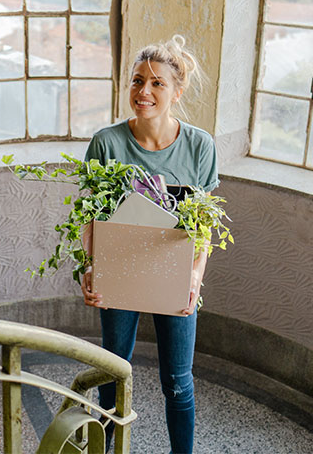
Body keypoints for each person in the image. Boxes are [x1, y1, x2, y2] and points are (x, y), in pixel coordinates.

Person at [81, 34, 219, 454]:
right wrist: (91, 267)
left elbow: (204, 226)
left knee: (178, 383)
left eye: (158, 83)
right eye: (138, 81)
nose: (144, 92)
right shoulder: (107, 143)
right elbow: (91, 219)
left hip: (175, 277)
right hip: (119, 274)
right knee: (112, 373)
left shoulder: (200, 147)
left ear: (177, 92)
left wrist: (194, 277)